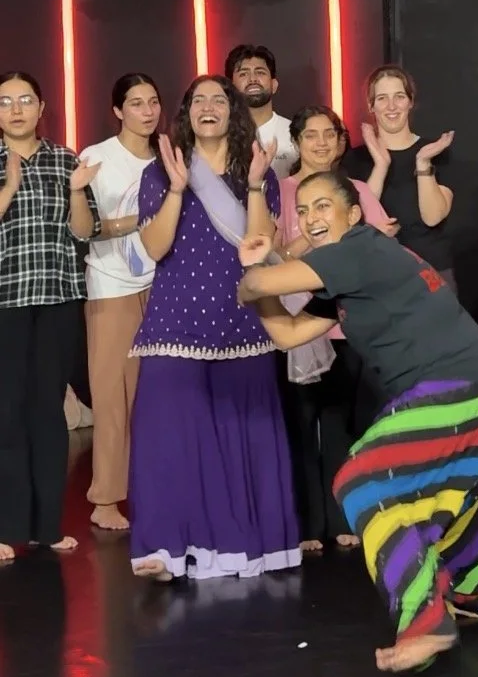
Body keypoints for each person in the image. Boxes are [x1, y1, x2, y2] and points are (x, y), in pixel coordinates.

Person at [236, 171, 478, 674]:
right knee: (453, 495)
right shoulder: (353, 267)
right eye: (302, 211)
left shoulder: (359, 248)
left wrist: (254, 269)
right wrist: (267, 271)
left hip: (458, 384)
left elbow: (261, 282)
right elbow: (288, 332)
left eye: (322, 207)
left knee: (363, 482)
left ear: (352, 214)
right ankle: (472, 598)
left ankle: (428, 621)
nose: (310, 219)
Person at [127, 75, 300, 582]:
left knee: (242, 432)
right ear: (185, 113)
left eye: (218, 100)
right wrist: (179, 190)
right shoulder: (162, 170)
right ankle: (163, 547)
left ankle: (242, 544)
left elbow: (260, 244)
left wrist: (252, 186)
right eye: (198, 99)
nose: (208, 107)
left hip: (240, 313)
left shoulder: (258, 171)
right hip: (176, 317)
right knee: (169, 435)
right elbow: (156, 248)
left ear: (233, 112)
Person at [276, 106, 394, 555]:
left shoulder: (358, 191)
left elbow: (380, 247)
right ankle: (307, 521)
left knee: (343, 421)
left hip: (347, 322)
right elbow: (273, 257)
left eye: (330, 135)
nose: (321, 143)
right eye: (311, 135)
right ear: (297, 142)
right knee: (299, 423)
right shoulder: (281, 191)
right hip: (296, 321)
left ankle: (344, 515)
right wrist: (312, 228)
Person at [0, 71, 99, 561]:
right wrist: (9, 186)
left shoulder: (66, 160)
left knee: (48, 412)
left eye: (25, 100)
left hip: (58, 297)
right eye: (5, 102)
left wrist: (78, 190)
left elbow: (84, 233)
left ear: (42, 107)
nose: (15, 110)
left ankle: (44, 526)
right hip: (6, 302)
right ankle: (6, 526)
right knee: (7, 412)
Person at [78, 73, 161, 532]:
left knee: (161, 395)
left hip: (165, 284)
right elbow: (85, 226)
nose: (147, 111)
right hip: (112, 286)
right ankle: (105, 498)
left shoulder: (169, 155)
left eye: (152, 102)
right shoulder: (98, 158)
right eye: (135, 103)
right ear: (117, 110)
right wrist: (142, 217)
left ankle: (156, 487)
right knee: (112, 396)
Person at [340, 65, 456, 290]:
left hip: (431, 272)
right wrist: (381, 165)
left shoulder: (434, 152)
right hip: (376, 273)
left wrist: (423, 163)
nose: (391, 106)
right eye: (382, 98)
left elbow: (433, 216)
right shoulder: (356, 159)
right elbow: (355, 218)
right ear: (371, 106)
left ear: (411, 102)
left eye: (399, 97)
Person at [226, 43, 297, 178]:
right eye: (243, 74)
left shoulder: (294, 134)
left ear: (274, 85)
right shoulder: (220, 135)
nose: (252, 79)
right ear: (230, 88)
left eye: (260, 72)